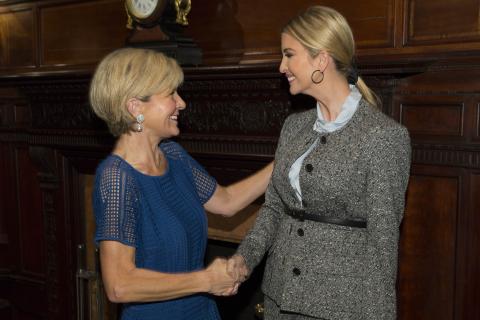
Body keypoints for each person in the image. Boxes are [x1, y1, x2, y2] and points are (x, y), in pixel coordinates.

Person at [227, 6, 411, 320]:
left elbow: (383, 245)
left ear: (321, 60)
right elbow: (274, 207)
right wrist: (245, 257)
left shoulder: (383, 137)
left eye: (289, 55)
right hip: (278, 299)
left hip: (340, 308)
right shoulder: (293, 128)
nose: (281, 66)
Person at [89, 47, 273, 320]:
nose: (182, 103)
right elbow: (119, 285)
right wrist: (206, 280)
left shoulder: (174, 156)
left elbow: (226, 202)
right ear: (135, 107)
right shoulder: (117, 177)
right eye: (171, 94)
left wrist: (285, 160)